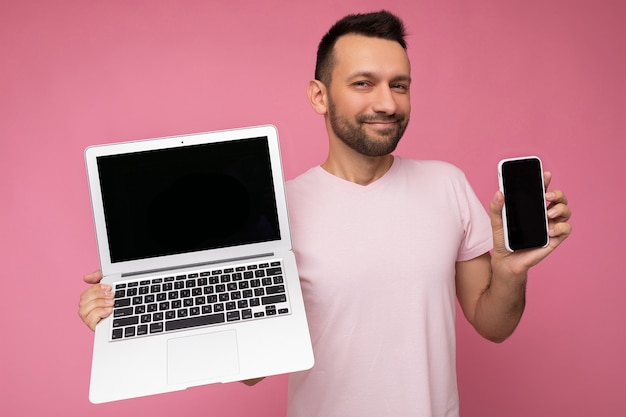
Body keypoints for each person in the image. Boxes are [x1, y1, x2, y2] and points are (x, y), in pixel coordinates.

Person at [78, 10, 572, 417]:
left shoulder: (448, 185)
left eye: (400, 85)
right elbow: (250, 372)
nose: (387, 102)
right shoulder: (278, 214)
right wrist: (135, 312)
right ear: (319, 95)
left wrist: (509, 272)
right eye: (364, 83)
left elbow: (494, 325)